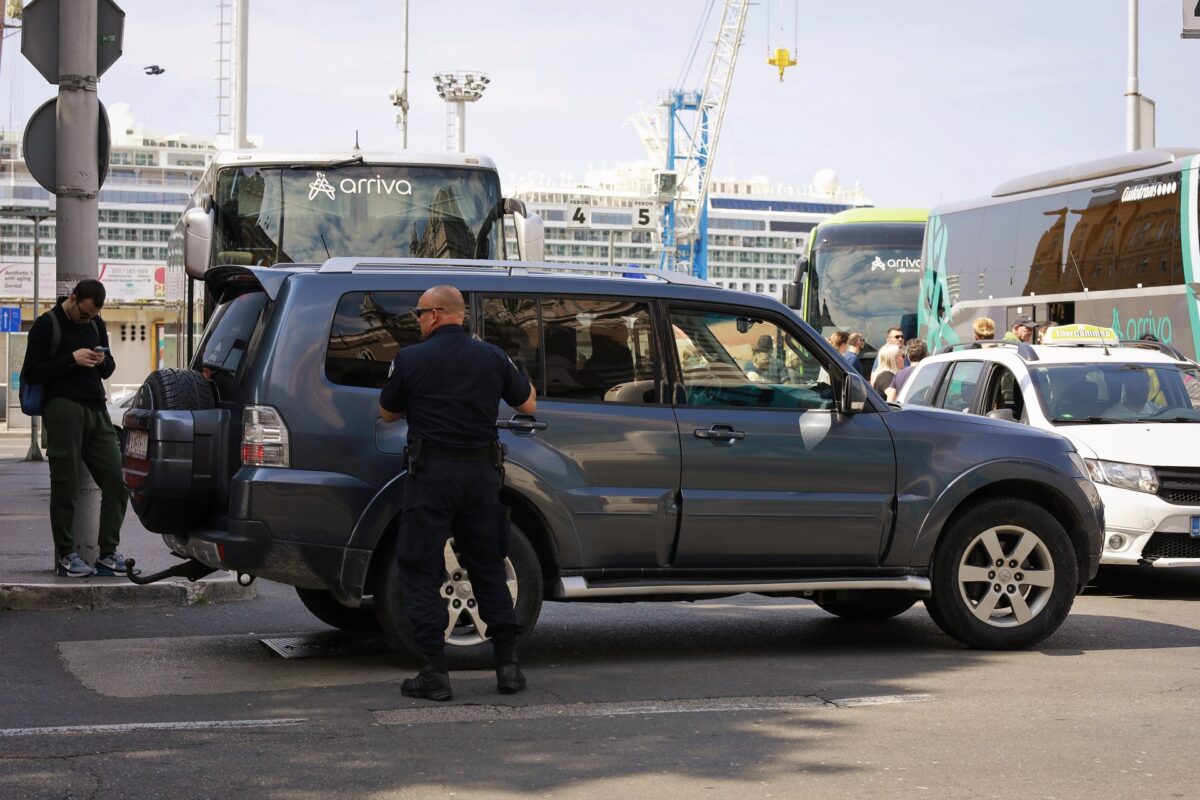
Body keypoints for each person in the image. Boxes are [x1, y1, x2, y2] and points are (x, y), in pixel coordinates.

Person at [378, 285, 537, 702]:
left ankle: (434, 673)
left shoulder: (409, 359)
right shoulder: (493, 356)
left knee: (421, 569)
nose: (416, 320)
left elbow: (387, 412)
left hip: (432, 477)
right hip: (482, 476)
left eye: (418, 313)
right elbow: (528, 405)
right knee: (487, 565)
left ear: (433, 314)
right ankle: (509, 668)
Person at [20, 279, 130, 578]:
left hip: (97, 408)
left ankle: (108, 554)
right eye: (84, 314)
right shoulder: (47, 325)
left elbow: (108, 369)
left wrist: (101, 360)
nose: (88, 319)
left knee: (117, 481)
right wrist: (71, 359)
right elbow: (31, 372)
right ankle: (67, 556)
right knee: (65, 485)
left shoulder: (95, 322)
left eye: (93, 316)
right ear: (73, 298)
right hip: (62, 408)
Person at [885, 338, 928, 402]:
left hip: (905, 409)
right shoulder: (930, 372)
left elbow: (891, 400)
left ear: (908, 356)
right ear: (926, 354)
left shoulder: (899, 374)